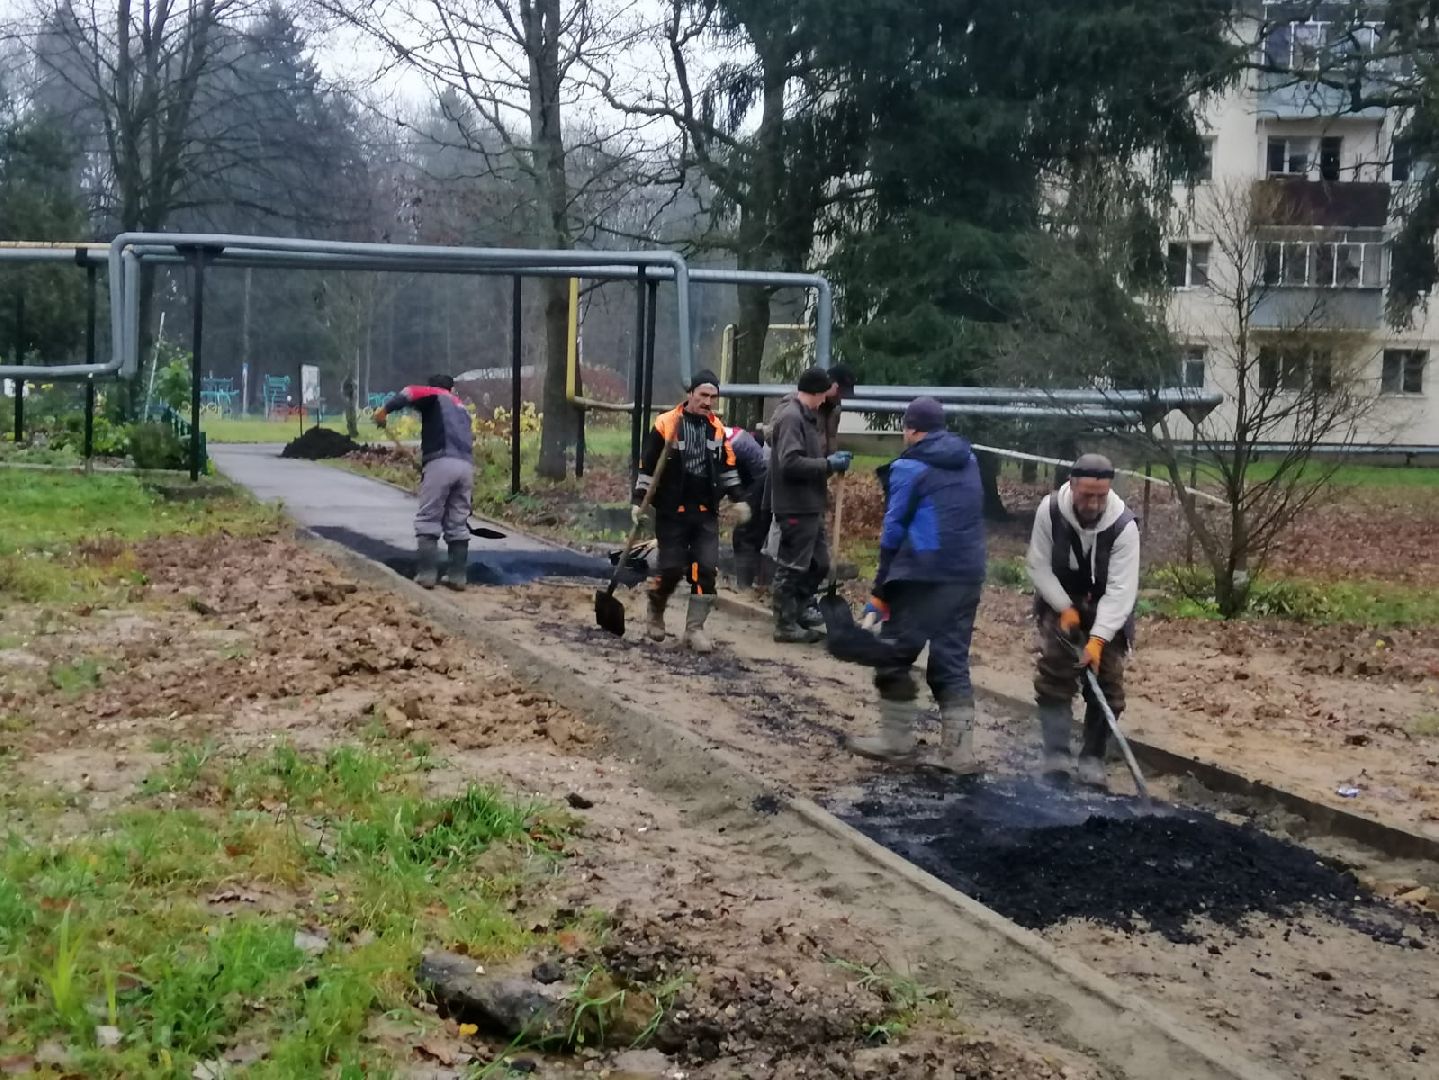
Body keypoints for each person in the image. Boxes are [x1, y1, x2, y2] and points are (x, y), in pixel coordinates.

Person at [848, 397, 987, 772]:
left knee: (893, 652)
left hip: (922, 577)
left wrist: (880, 589)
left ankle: (896, 742)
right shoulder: (969, 459)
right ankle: (959, 754)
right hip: (968, 573)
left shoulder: (909, 466)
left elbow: (892, 532)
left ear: (910, 429)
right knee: (952, 660)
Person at [1026, 453, 1140, 788]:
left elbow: (1121, 590)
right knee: (1054, 674)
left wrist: (1099, 639)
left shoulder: (1124, 526)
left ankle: (1092, 756)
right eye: (1086, 494)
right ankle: (1056, 753)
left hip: (1108, 605)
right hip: (1061, 601)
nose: (1092, 503)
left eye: (1100, 495)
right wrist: (1065, 607)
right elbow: (1038, 565)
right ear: (1072, 485)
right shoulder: (1049, 512)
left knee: (1107, 684)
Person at [633, 369, 750, 654]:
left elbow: (728, 467)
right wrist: (638, 502)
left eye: (712, 397)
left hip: (705, 510)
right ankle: (656, 606)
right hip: (673, 509)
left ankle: (694, 629)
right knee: (671, 567)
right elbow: (647, 466)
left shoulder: (717, 429)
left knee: (706, 568)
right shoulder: (666, 423)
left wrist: (738, 498)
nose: (708, 401)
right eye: (703, 395)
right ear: (690, 395)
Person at [766, 367, 852, 643]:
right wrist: (827, 464)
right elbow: (790, 462)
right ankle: (784, 623)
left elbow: (811, 455)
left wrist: (831, 461)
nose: (828, 396)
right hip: (794, 504)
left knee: (819, 564)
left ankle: (800, 611)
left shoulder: (809, 416)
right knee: (792, 566)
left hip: (811, 503)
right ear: (816, 391)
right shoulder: (792, 417)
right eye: (825, 391)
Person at [373, 375, 475, 591]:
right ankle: (458, 576)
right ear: (453, 388)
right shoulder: (462, 409)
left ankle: (428, 574)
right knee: (457, 521)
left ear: (434, 386)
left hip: (441, 462)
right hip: (465, 467)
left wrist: (384, 411)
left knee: (429, 517)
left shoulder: (435, 394)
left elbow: (409, 391)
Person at [727, 422, 770, 590]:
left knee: (745, 534)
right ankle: (754, 582)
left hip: (761, 478)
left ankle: (745, 587)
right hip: (753, 472)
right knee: (754, 533)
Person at [818, 364, 857, 456]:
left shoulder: (835, 406)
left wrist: (833, 461)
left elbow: (832, 437)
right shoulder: (811, 406)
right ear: (831, 385)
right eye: (839, 391)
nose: (841, 396)